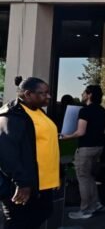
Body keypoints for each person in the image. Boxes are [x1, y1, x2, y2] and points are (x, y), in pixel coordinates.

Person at [0, 76, 59, 229]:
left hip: (41, 184)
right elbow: (7, 153)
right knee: (19, 223)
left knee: (39, 217)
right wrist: (22, 182)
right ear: (28, 94)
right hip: (23, 186)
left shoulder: (37, 112)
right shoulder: (11, 116)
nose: (48, 96)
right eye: (43, 93)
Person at [60, 84, 105, 219]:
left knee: (83, 179)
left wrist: (65, 137)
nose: (82, 95)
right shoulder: (103, 111)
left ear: (89, 95)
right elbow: (103, 131)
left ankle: (85, 210)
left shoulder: (85, 111)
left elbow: (81, 132)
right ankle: (96, 203)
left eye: (84, 93)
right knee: (90, 178)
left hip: (86, 148)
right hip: (99, 148)